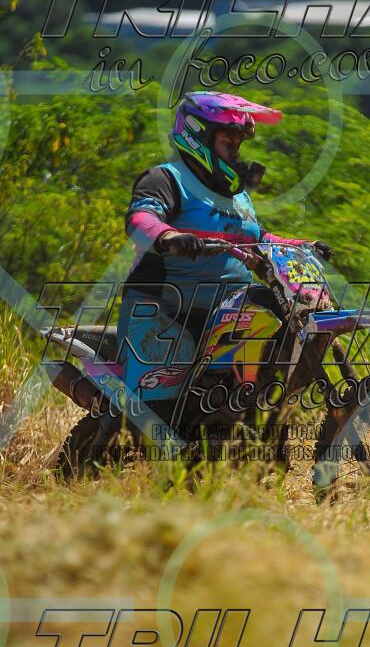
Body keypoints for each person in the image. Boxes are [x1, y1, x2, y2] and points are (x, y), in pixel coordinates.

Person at [115, 90, 332, 437]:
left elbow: (260, 238)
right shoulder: (166, 178)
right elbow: (140, 218)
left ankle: (251, 427)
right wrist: (170, 236)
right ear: (199, 136)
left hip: (225, 308)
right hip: (165, 307)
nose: (235, 152)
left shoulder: (238, 196)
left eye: (238, 144)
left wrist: (301, 246)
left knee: (275, 333)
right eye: (228, 142)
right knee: (160, 417)